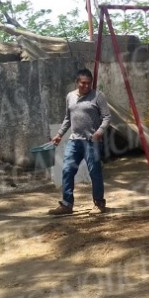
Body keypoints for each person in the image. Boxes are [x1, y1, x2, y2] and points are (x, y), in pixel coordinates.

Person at [48, 68, 111, 215]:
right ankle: (66, 204)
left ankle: (99, 203)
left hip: (91, 141)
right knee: (67, 170)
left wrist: (99, 132)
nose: (86, 86)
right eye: (83, 83)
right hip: (74, 141)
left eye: (89, 83)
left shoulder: (98, 96)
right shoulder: (70, 96)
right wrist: (59, 135)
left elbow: (107, 117)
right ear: (77, 82)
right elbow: (67, 119)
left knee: (95, 172)